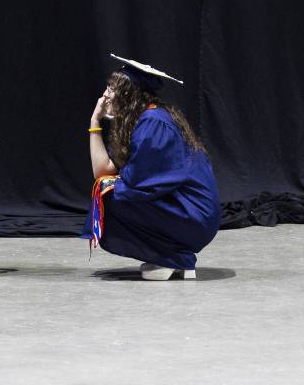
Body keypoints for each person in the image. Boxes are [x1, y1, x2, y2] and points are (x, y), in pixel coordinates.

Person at [82, 53, 220, 280]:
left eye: (112, 89)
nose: (105, 95)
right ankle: (172, 256)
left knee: (110, 196)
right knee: (106, 187)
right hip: (185, 211)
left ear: (129, 96)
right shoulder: (141, 121)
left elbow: (136, 184)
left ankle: (173, 258)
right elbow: (102, 170)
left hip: (194, 214)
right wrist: (94, 122)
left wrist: (113, 184)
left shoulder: (154, 124)